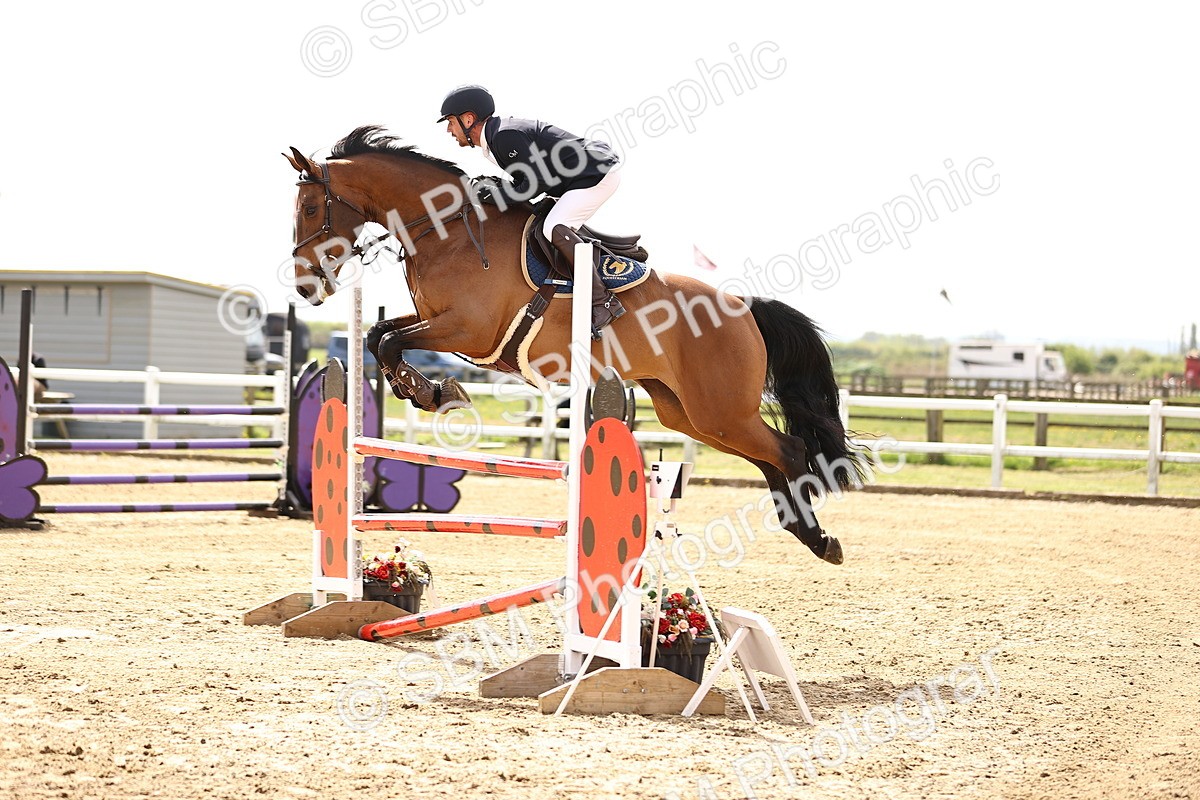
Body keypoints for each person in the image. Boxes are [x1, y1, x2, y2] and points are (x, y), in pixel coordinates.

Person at [437, 84, 626, 339]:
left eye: (451, 122)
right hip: (578, 178)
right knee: (545, 223)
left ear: (468, 119)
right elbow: (526, 182)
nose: (449, 130)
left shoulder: (504, 136)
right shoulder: (496, 138)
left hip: (597, 174)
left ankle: (603, 301)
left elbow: (532, 185)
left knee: (553, 228)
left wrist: (496, 194)